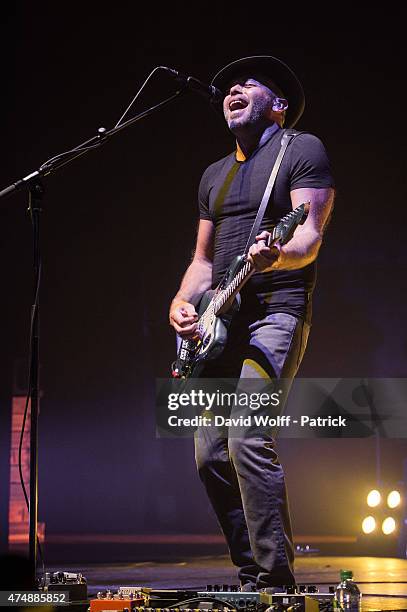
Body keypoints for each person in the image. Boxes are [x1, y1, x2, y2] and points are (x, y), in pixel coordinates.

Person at [169, 55, 335, 591]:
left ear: (279, 105)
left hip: (275, 311)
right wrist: (181, 303)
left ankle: (275, 579)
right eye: (229, 86)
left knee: (246, 435)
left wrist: (276, 256)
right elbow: (202, 260)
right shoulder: (213, 175)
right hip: (221, 320)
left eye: (249, 82)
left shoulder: (301, 148)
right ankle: (250, 573)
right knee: (208, 452)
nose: (233, 89)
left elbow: (307, 237)